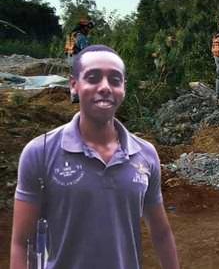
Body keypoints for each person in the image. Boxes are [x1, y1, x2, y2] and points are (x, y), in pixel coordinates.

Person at [10, 45, 180, 269]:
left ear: (124, 89)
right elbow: (22, 242)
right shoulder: (40, 153)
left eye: (115, 79)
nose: (105, 87)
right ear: (74, 86)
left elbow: (161, 234)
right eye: (93, 77)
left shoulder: (145, 155)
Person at [64, 19, 94, 103]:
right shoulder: (81, 37)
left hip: (70, 59)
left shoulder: (71, 35)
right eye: (88, 28)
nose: (89, 30)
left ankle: (75, 97)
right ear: (83, 28)